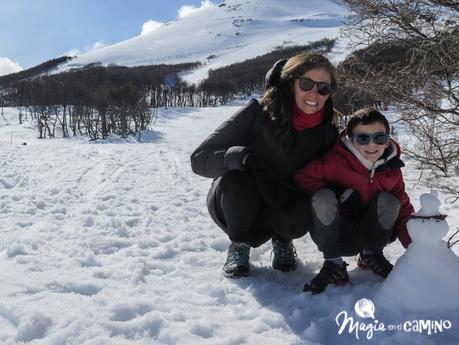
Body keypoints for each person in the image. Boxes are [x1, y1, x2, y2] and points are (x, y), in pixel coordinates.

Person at [190, 53, 340, 278]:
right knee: (237, 179)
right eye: (306, 83)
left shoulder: (327, 132)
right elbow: (199, 159)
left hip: (280, 201)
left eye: (323, 88)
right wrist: (240, 157)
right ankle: (239, 245)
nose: (313, 93)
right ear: (291, 84)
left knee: (307, 199)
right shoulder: (257, 112)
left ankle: (282, 240)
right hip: (235, 201)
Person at [295, 107, 414, 293]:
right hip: (339, 233)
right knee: (323, 198)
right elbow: (303, 178)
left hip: (372, 232)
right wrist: (337, 193)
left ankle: (371, 255)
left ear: (388, 138)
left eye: (379, 137)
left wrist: (416, 248)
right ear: (351, 139)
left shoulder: (392, 171)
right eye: (363, 138)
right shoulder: (335, 161)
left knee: (390, 201)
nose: (372, 145)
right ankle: (334, 264)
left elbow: (405, 210)